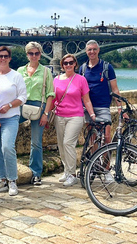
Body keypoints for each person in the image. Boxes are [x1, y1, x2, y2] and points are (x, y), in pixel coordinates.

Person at [0, 46, 27, 196]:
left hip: (11, 117)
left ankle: (12, 180)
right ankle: (1, 179)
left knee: (7, 147)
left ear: (9, 58)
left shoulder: (16, 76)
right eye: (0, 56)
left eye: (6, 56)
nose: (3, 58)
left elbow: (23, 97)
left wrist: (9, 105)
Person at [52, 54, 95, 187]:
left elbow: (86, 99)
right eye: (65, 63)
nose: (68, 65)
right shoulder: (56, 79)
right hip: (59, 115)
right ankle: (66, 170)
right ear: (62, 65)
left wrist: (92, 114)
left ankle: (72, 174)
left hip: (75, 115)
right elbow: (52, 98)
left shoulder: (81, 79)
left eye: (71, 63)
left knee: (68, 143)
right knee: (61, 144)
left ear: (75, 64)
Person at [17, 42, 55, 186]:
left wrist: (46, 113)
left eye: (36, 53)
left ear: (40, 54)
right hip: (21, 105)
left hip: (39, 106)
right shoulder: (20, 70)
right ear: (27, 55)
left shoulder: (46, 72)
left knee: (36, 142)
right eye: (31, 53)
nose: (34, 56)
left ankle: (36, 173)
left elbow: (50, 94)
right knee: (6, 133)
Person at [78, 40, 124, 143]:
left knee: (106, 137)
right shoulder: (83, 69)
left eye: (94, 49)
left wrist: (120, 108)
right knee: (92, 138)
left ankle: (106, 159)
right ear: (86, 51)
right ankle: (95, 159)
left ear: (99, 50)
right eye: (90, 50)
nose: (92, 52)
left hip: (103, 106)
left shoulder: (107, 67)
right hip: (87, 108)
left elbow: (115, 89)